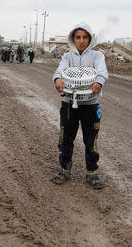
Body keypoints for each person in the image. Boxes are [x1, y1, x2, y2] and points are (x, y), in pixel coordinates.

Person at [51, 22, 109, 188]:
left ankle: (92, 173)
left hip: (90, 105)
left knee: (91, 141)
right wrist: (58, 80)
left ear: (90, 39)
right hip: (69, 104)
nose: (81, 40)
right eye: (78, 37)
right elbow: (58, 72)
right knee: (66, 138)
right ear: (73, 39)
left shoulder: (98, 56)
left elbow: (102, 73)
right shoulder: (67, 57)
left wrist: (98, 83)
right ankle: (64, 169)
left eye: (85, 37)